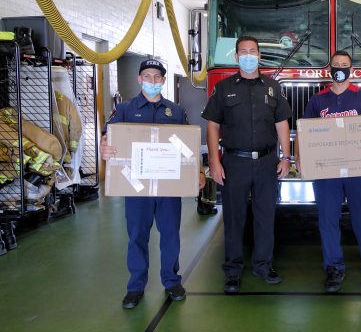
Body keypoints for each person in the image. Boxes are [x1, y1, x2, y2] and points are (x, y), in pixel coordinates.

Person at [100, 59, 206, 309]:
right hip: (136, 186)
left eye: (157, 77)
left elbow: (188, 146)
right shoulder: (125, 109)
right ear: (140, 80)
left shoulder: (175, 111)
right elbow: (109, 136)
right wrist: (105, 147)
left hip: (169, 186)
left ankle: (171, 281)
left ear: (163, 81)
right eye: (147, 76)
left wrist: (199, 171)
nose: (152, 81)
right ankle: (135, 286)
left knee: (170, 234)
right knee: (137, 235)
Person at [202, 36, 292, 294]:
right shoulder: (223, 88)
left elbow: (282, 123)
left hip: (266, 162)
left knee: (265, 217)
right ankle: (232, 271)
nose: (249, 55)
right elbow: (212, 125)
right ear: (236, 57)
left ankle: (263, 266)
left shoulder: (273, 88)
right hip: (234, 162)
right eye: (244, 52)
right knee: (233, 218)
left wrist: (285, 156)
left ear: (260, 56)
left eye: (253, 51)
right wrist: (214, 161)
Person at [296, 50, 361, 295]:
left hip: (358, 171)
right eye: (335, 65)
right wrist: (301, 160)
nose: (340, 68)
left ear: (351, 69)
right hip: (327, 172)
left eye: (344, 65)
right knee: (328, 222)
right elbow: (305, 133)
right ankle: (334, 269)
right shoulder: (318, 100)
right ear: (330, 69)